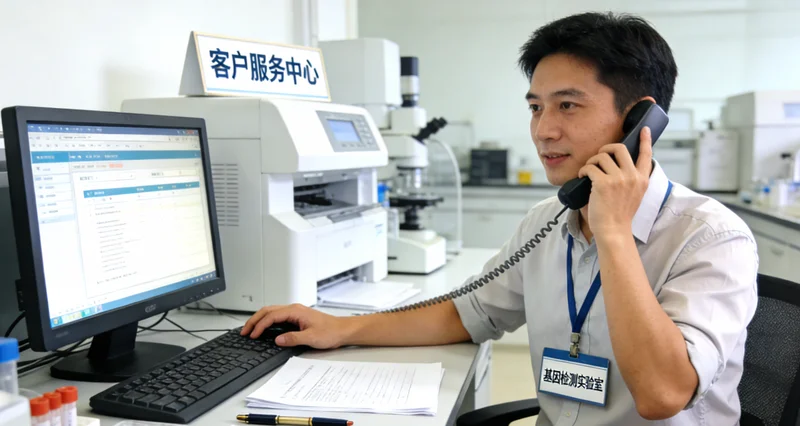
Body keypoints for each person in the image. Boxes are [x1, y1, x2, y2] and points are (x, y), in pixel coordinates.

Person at [241, 12, 758, 425]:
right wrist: (342, 328)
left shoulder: (710, 237)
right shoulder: (547, 221)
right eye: (536, 107)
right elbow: (467, 313)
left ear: (638, 122)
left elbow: (663, 394)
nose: (544, 131)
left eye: (568, 106)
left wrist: (614, 233)